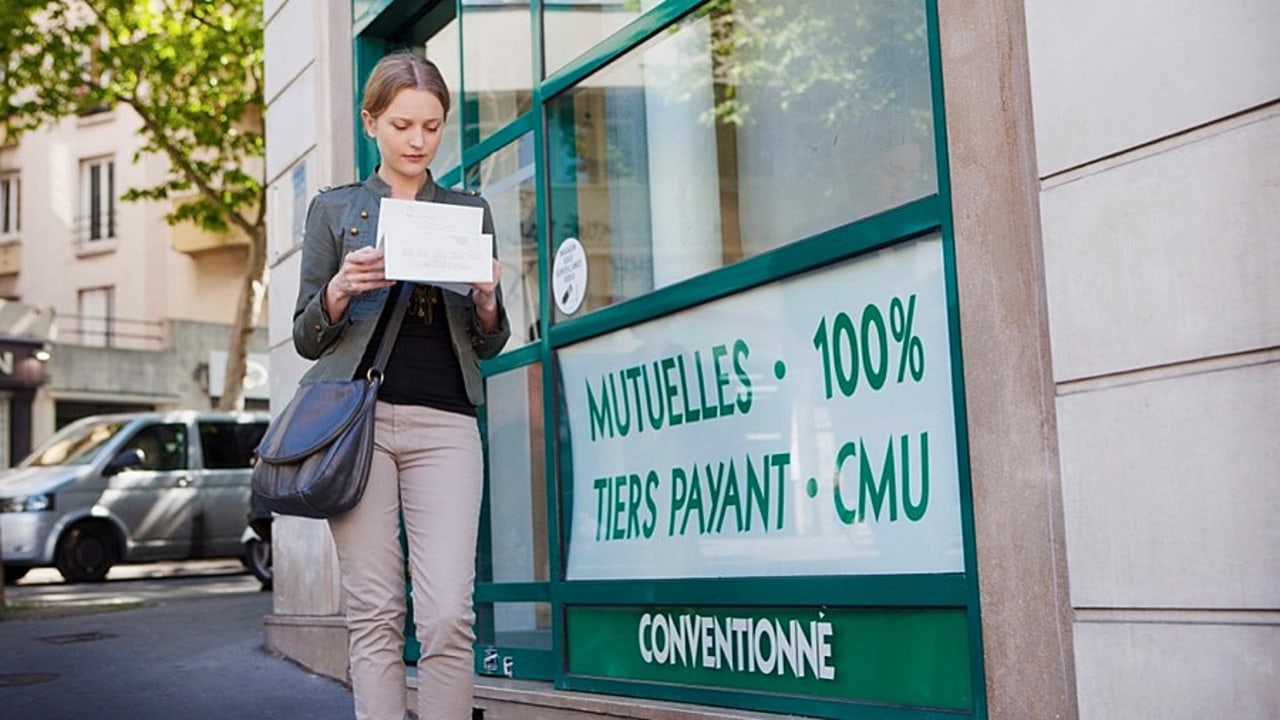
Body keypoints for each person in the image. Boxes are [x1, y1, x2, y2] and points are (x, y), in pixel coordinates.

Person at [291, 51, 510, 720]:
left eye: (433, 126)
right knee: (376, 613)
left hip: (446, 424)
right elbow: (305, 337)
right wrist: (337, 291)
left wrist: (488, 299)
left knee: (447, 612)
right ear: (371, 123)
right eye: (402, 125)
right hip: (358, 426)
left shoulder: (469, 211)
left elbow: (492, 341)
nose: (418, 141)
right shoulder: (334, 211)